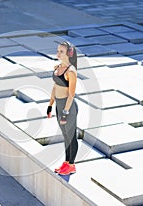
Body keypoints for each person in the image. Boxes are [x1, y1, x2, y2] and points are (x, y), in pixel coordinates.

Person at [47, 41, 78, 175]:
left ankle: (71, 165)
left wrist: (65, 113)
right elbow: (55, 87)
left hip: (68, 108)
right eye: (58, 50)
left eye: (61, 51)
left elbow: (71, 94)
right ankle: (66, 163)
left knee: (71, 136)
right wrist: (50, 105)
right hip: (59, 105)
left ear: (68, 54)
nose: (58, 53)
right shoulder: (57, 67)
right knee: (65, 136)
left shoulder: (70, 71)